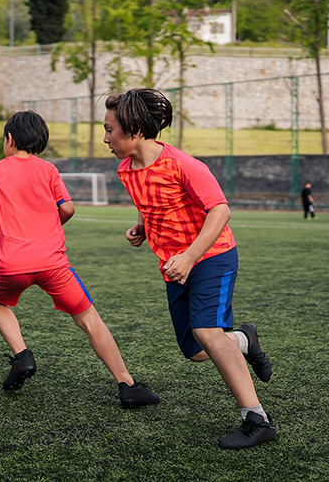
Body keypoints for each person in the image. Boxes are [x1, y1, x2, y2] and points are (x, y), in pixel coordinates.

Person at [0, 110, 159, 409]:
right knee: (89, 319)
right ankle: (127, 385)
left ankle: (22, 356)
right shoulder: (48, 170)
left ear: (9, 139)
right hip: (53, 264)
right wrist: (47, 226)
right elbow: (67, 209)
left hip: (10, 266)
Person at [103, 88, 276, 450]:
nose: (105, 138)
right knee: (195, 349)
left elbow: (220, 210)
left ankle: (257, 418)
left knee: (207, 332)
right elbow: (151, 203)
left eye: (109, 130)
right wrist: (142, 227)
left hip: (212, 256)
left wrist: (191, 256)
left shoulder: (184, 164)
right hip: (174, 266)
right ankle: (244, 340)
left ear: (135, 130)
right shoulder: (125, 169)